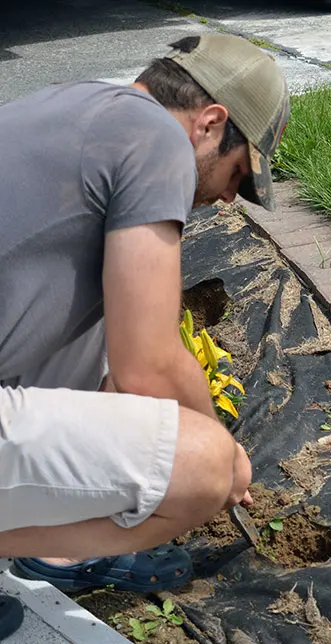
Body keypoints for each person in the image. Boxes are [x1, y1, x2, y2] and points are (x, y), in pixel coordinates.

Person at [0, 33, 290, 593]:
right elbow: (150, 366)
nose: (231, 198)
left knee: (110, 311)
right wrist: (224, 450)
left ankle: (48, 546)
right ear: (209, 123)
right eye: (238, 174)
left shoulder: (74, 104)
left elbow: (131, 338)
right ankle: (59, 552)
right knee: (202, 465)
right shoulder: (158, 139)